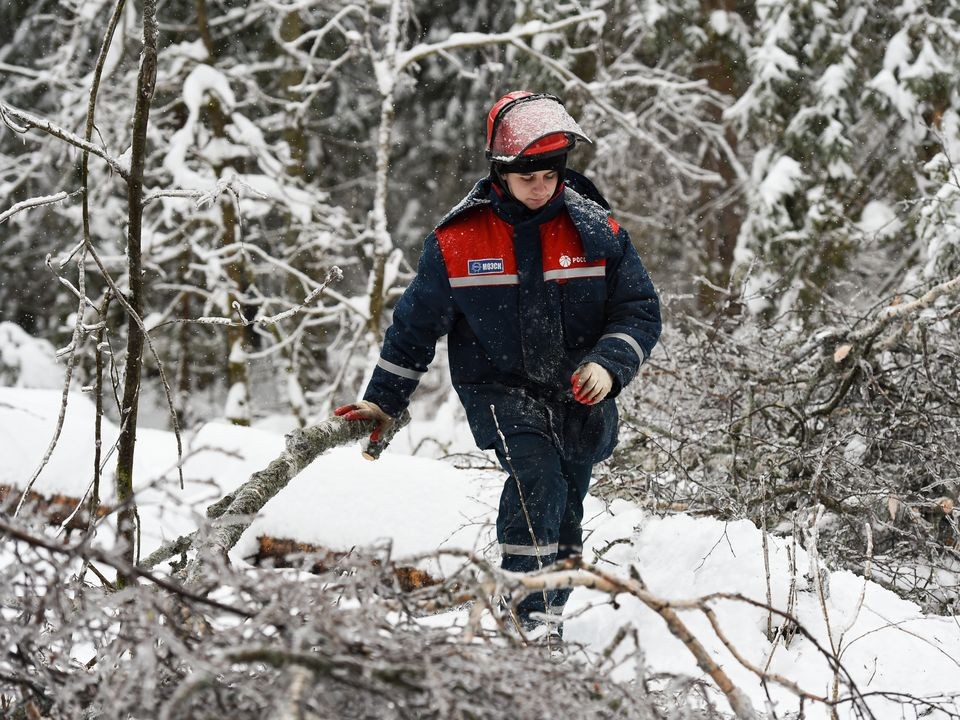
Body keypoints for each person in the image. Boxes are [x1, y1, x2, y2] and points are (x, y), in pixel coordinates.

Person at [336, 91, 661, 638]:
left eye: (552, 173)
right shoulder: (457, 242)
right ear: (501, 171)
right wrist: (382, 403)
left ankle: (549, 616)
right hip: (498, 387)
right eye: (529, 175)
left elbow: (638, 310)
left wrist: (609, 364)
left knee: (567, 499)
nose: (543, 186)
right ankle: (523, 616)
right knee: (537, 478)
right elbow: (414, 329)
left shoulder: (597, 232)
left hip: (579, 391)